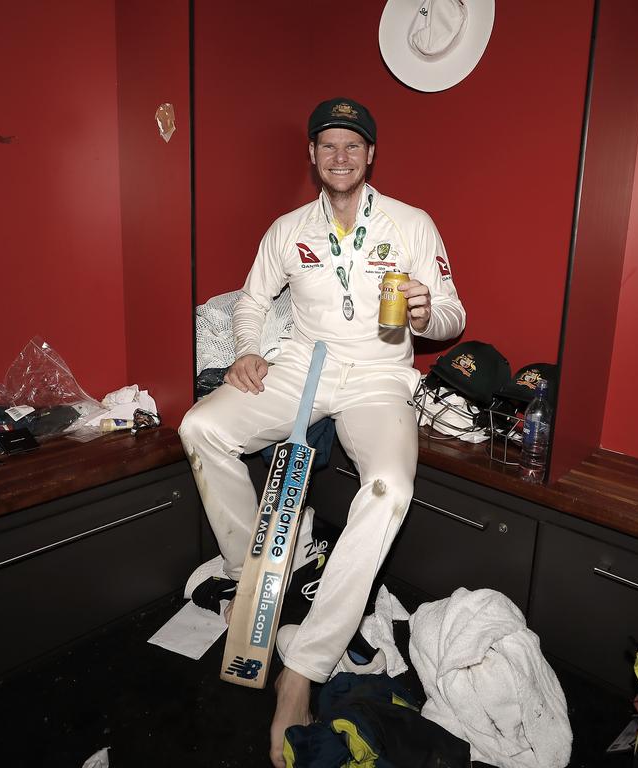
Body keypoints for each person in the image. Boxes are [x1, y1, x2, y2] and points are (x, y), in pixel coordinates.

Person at [178, 97, 465, 767]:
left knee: (390, 487)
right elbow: (252, 300)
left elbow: (452, 315)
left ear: (371, 155)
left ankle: (302, 666)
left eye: (353, 145)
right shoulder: (287, 229)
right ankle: (254, 579)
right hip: (300, 369)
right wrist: (246, 348)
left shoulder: (412, 223)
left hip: (376, 377)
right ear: (312, 155)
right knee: (200, 427)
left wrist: (427, 313)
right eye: (328, 145)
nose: (340, 156)